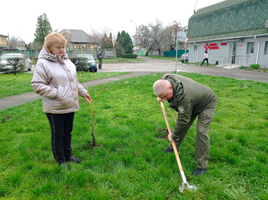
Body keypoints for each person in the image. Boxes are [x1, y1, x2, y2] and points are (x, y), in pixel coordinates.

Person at [31, 32, 92, 170]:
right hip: (55, 106)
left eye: (63, 47)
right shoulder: (43, 63)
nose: (61, 50)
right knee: (58, 135)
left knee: (67, 132)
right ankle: (60, 161)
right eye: (58, 47)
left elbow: (73, 81)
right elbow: (36, 84)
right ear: (48, 47)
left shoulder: (66, 60)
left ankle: (68, 155)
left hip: (69, 105)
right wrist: (58, 93)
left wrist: (83, 93)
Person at [153, 73, 217, 176]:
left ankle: (202, 166)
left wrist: (172, 136)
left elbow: (183, 121)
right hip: (193, 102)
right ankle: (173, 148)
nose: (164, 99)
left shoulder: (185, 96)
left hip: (207, 103)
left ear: (170, 87)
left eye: (165, 96)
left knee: (201, 131)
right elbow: (182, 122)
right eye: (162, 97)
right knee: (182, 126)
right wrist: (159, 96)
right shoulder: (165, 79)